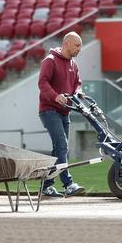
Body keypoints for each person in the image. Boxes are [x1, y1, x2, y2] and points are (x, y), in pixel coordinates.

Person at [37, 31, 86, 198]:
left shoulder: (74, 64)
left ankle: (47, 185)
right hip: (49, 109)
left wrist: (79, 93)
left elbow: (77, 83)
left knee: (59, 148)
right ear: (67, 44)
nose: (80, 49)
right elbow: (42, 83)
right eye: (77, 45)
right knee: (62, 145)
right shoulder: (50, 61)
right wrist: (55, 96)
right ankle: (69, 184)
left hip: (65, 111)